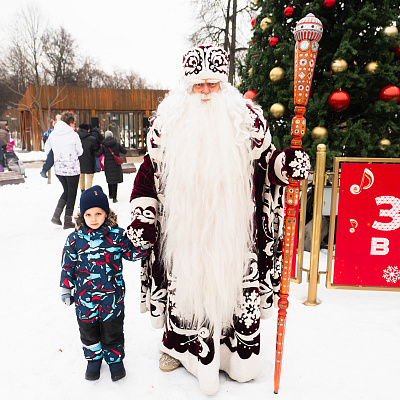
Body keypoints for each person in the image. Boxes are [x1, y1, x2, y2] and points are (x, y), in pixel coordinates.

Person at [126, 45, 310, 395]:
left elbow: (266, 167)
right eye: (199, 85)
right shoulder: (167, 126)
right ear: (187, 87)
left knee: (232, 293)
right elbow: (147, 176)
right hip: (186, 236)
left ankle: (234, 359)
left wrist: (285, 166)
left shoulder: (248, 123)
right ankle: (178, 350)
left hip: (233, 235)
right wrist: (143, 215)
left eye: (213, 84)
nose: (206, 92)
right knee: (185, 290)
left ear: (225, 85)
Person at [60, 185, 152, 381]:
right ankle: (93, 360)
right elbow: (67, 264)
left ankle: (115, 359)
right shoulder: (74, 239)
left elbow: (130, 253)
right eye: (89, 214)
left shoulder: (117, 235)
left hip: (113, 297)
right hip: (85, 299)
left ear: (106, 213)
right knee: (88, 330)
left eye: (98, 213)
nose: (93, 219)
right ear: (82, 215)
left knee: (113, 329)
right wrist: (66, 289)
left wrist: (144, 246)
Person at [45, 111, 83, 229]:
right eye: (73, 123)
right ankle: (67, 221)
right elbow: (80, 151)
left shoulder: (53, 134)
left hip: (59, 169)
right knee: (71, 194)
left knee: (66, 191)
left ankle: (56, 216)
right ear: (70, 123)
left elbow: (47, 150)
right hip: (72, 169)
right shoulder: (73, 135)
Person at [96, 131, 127, 203]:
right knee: (115, 181)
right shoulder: (116, 144)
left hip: (108, 164)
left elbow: (98, 154)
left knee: (109, 179)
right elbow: (124, 151)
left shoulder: (104, 145)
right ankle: (114, 198)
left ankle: (110, 194)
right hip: (116, 164)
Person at [77, 123, 100, 191]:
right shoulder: (92, 139)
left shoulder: (75, 137)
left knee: (81, 176)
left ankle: (82, 190)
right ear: (87, 129)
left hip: (78, 159)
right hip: (89, 159)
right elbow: (96, 149)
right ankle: (88, 191)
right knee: (90, 176)